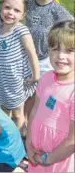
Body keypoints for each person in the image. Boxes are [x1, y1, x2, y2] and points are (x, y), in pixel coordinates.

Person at [26, 20, 75, 172]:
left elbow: (72, 140)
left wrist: (48, 159)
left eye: (69, 51)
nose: (60, 56)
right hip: (36, 156)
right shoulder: (46, 78)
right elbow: (34, 111)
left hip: (59, 160)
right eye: (55, 49)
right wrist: (29, 144)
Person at [0, 0, 40, 133]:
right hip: (1, 77)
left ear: (23, 14)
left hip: (16, 78)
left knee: (18, 112)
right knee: (4, 108)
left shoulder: (21, 31)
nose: (10, 12)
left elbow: (32, 53)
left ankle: (18, 138)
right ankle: (7, 135)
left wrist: (36, 75)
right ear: (1, 7)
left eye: (17, 10)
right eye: (7, 7)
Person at [26, 0, 73, 77]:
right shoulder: (27, 5)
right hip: (25, 59)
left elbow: (72, 26)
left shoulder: (57, 10)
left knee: (41, 92)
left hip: (44, 62)